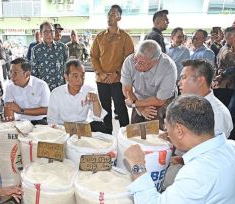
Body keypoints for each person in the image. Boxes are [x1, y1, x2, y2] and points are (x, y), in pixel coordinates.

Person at [125, 95, 235, 204]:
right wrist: (184, 158)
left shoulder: (198, 175)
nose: (166, 131)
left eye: (167, 126)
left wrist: (137, 165)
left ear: (179, 129)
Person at [90, 4, 134, 133]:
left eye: (113, 14)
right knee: (105, 108)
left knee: (121, 107)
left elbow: (129, 58)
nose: (110, 16)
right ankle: (107, 134)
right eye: (109, 13)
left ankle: (126, 135)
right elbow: (93, 56)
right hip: (101, 79)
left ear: (119, 17)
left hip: (118, 79)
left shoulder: (125, 37)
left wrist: (117, 73)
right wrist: (100, 72)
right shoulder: (99, 37)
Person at [121, 40, 177, 129]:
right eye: (135, 59)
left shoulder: (168, 67)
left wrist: (134, 103)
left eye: (141, 63)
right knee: (135, 127)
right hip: (139, 96)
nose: (135, 65)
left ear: (154, 62)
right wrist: (140, 109)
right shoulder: (129, 61)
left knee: (153, 121)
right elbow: (127, 90)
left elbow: (160, 100)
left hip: (162, 98)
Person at [47, 59, 109, 134]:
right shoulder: (56, 93)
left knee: (101, 127)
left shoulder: (89, 91)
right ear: (66, 77)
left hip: (82, 127)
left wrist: (96, 101)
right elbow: (51, 120)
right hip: (62, 129)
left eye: (82, 76)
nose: (80, 80)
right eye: (75, 76)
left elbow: (98, 117)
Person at [179, 59, 233, 137]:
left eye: (183, 78)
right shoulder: (187, 102)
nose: (179, 82)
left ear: (200, 80)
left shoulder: (217, 115)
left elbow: (212, 148)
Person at [4, 57, 50, 125]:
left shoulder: (41, 85)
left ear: (27, 74)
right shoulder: (9, 86)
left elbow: (46, 110)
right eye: (11, 72)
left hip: (40, 120)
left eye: (15, 73)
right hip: (20, 122)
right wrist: (10, 125)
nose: (12, 76)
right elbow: (8, 108)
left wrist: (21, 110)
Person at [31, 21, 68, 91]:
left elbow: (66, 68)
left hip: (60, 88)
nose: (49, 34)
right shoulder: (36, 50)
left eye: (51, 31)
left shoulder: (62, 47)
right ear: (41, 34)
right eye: (46, 32)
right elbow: (34, 72)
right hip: (43, 89)